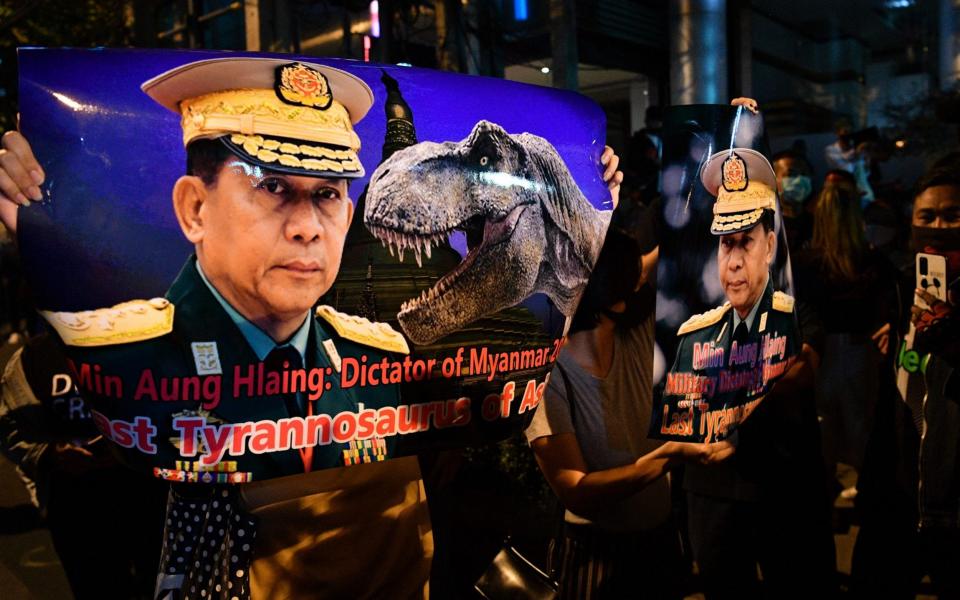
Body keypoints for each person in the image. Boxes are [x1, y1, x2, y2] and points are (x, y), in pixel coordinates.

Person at [0, 57, 431, 600]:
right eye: (272, 186)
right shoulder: (121, 352)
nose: (306, 229)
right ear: (194, 208)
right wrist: (43, 235)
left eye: (327, 194)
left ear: (348, 216)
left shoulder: (380, 355)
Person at [525, 202, 733, 600]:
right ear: (614, 297)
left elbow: (677, 249)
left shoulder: (636, 336)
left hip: (658, 541)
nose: (643, 275)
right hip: (592, 555)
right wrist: (667, 457)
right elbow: (576, 489)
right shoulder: (548, 373)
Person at [852, 164, 960, 599]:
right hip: (895, 504)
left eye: (953, 216)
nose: (938, 227)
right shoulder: (899, 289)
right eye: (926, 217)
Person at [0, 333, 168, 599]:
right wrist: (50, 453)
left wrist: (140, 449)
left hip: (153, 498)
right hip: (78, 505)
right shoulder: (36, 355)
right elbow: (12, 425)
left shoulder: (154, 340)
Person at [665, 147, 799, 424]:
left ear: (770, 247)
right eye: (727, 243)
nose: (734, 262)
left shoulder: (790, 320)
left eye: (746, 242)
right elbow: (681, 420)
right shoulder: (694, 340)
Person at [771, 148, 814, 251]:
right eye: (791, 175)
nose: (799, 180)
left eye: (804, 174)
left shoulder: (818, 223)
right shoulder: (767, 225)